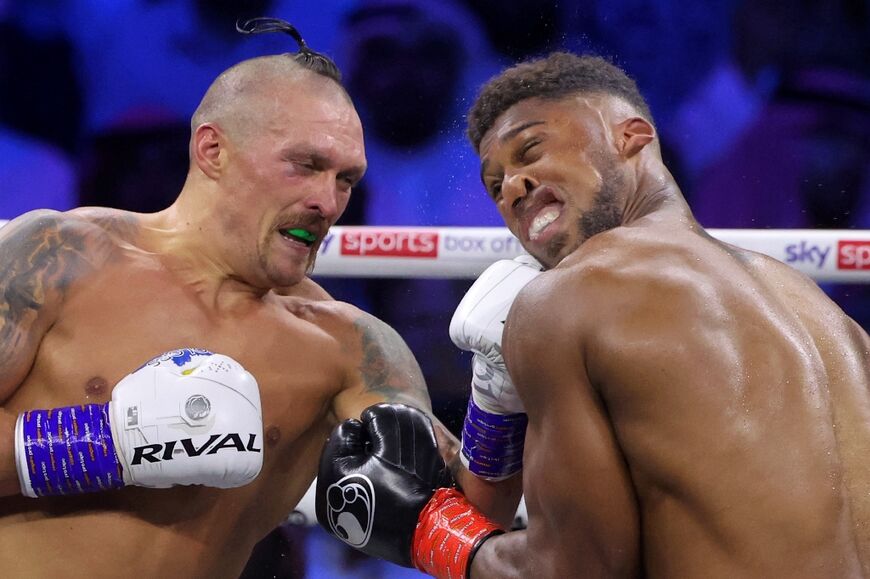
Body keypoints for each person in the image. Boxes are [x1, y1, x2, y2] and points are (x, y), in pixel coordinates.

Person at [315, 51, 870, 578]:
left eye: (530, 150)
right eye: (494, 185)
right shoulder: (825, 315)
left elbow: (576, 571)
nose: (512, 186)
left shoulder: (571, 296)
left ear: (632, 137)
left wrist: (428, 530)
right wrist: (492, 407)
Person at [0, 22, 476, 579]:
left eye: (346, 179)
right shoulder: (60, 257)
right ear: (212, 149)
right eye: (306, 165)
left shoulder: (348, 348)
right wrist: (111, 441)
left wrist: (496, 397)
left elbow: (463, 524)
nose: (327, 202)